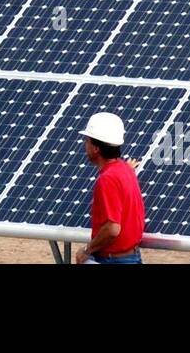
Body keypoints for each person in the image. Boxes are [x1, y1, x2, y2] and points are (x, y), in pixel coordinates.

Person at [75, 112, 145, 265]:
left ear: (96, 148)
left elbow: (113, 228)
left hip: (115, 260)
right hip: (129, 257)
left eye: (86, 140)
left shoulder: (108, 179)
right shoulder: (124, 170)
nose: (84, 145)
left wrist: (87, 250)